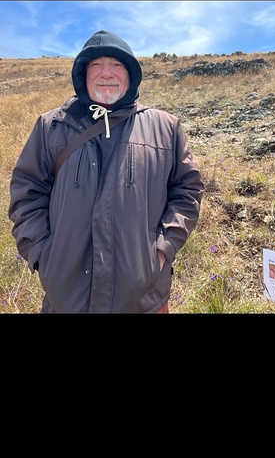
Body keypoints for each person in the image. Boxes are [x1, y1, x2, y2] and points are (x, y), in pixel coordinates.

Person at [9, 29, 204, 313]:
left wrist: (162, 250)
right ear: (82, 75)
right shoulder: (50, 126)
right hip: (66, 299)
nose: (106, 74)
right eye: (96, 65)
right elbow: (27, 193)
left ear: (131, 75)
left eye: (117, 65)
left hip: (143, 300)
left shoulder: (166, 127)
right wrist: (42, 255)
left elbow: (188, 191)